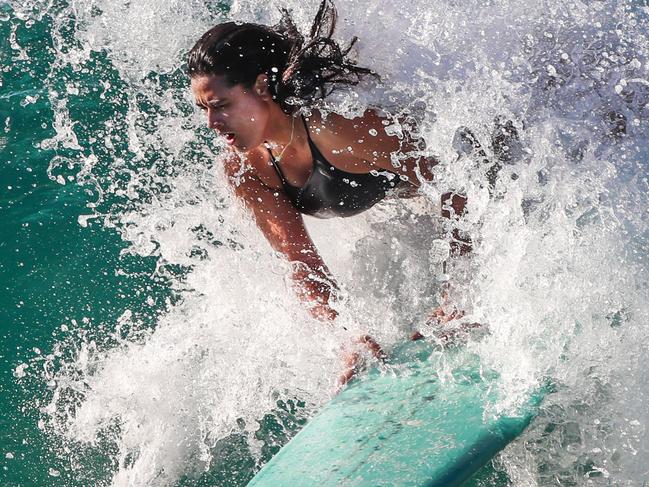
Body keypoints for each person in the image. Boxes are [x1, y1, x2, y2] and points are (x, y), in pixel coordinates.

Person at [187, 1, 477, 380]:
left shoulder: (338, 128)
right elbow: (301, 265)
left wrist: (458, 293)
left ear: (261, 87)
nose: (211, 122)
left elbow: (459, 186)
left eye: (220, 105)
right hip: (412, 198)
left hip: (483, 154)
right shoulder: (244, 168)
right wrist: (347, 334)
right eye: (203, 109)